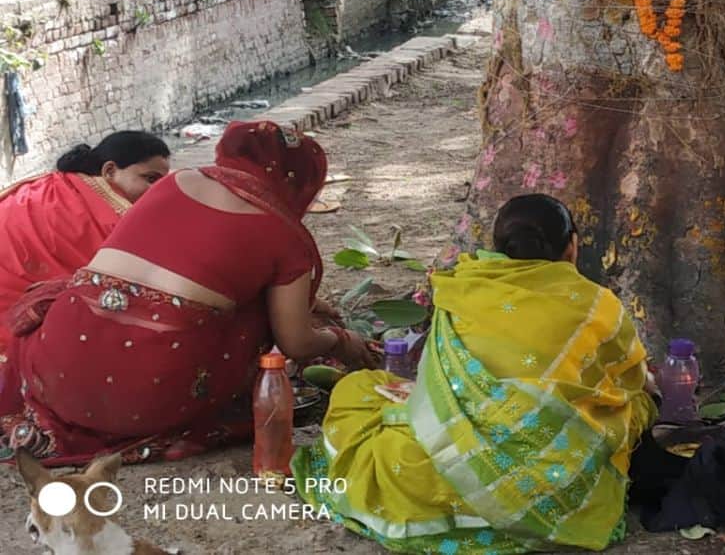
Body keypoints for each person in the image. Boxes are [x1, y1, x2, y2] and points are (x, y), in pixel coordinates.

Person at [294, 194, 656, 553]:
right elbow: (627, 383)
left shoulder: (462, 286)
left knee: (357, 391)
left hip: (439, 466)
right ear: (572, 247)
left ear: (498, 248)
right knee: (632, 407)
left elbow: (438, 379)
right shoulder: (597, 305)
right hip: (550, 477)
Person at [0, 121, 377, 465]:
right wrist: (342, 340)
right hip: (145, 404)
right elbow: (296, 342)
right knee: (253, 314)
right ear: (299, 183)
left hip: (53, 374)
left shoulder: (172, 183)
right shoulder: (285, 235)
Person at [0, 131, 170, 355]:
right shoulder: (112, 220)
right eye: (150, 179)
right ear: (109, 170)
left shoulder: (51, 183)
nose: (158, 190)